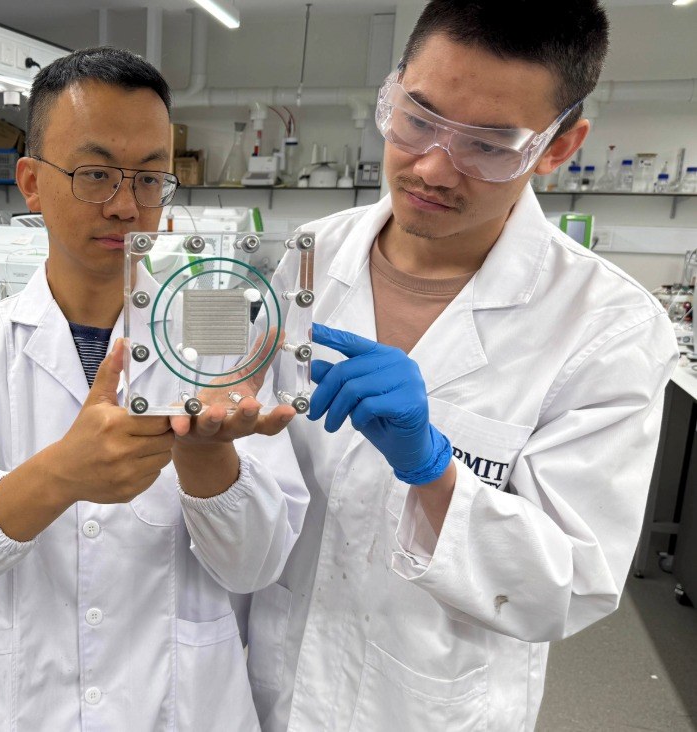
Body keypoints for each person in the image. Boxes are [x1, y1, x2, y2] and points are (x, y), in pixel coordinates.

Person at [245, 2, 678, 730]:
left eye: (490, 144)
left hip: (425, 703)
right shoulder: (313, 253)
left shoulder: (608, 327)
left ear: (559, 145)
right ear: (393, 90)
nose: (432, 166)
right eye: (416, 118)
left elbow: (569, 587)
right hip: (272, 677)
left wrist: (434, 472)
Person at [0, 47, 309, 730]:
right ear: (30, 182)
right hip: (31, 705)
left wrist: (209, 464)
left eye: (150, 180)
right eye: (94, 175)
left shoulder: (221, 333)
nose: (124, 206)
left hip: (183, 703)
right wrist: (60, 475)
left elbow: (257, 566)